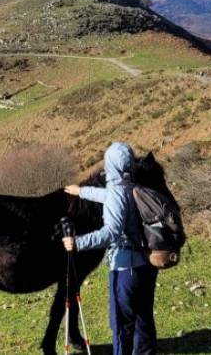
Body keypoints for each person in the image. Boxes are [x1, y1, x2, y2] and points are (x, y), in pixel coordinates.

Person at [63, 142, 158, 355]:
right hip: (145, 265)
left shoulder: (117, 193)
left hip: (126, 270)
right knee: (143, 322)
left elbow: (111, 233)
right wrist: (82, 191)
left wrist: (77, 243)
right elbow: (110, 198)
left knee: (121, 327)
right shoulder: (134, 186)